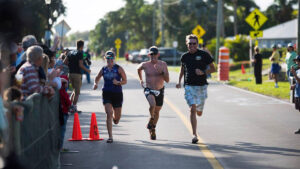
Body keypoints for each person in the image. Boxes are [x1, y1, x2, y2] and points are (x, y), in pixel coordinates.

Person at [176, 34, 216, 144]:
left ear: (197, 44)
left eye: (194, 43)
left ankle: (200, 110)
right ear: (186, 44)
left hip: (202, 86)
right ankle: (194, 134)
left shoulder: (204, 55)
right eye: (190, 43)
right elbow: (182, 70)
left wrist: (203, 72)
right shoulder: (184, 56)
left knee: (199, 112)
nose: (192, 45)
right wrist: (179, 81)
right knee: (192, 109)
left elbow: (213, 69)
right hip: (189, 86)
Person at [93, 51, 127, 143]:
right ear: (105, 59)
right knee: (108, 113)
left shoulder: (119, 68)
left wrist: (118, 82)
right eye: (108, 58)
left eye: (111, 58)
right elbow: (97, 78)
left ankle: (114, 119)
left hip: (117, 94)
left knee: (116, 119)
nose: (109, 60)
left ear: (114, 59)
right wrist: (95, 84)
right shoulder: (103, 69)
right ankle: (110, 137)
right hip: (106, 93)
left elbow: (125, 80)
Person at [137, 46, 169, 140]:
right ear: (149, 55)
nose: (153, 56)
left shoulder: (163, 64)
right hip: (149, 89)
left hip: (160, 90)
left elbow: (167, 80)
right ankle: (151, 119)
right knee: (152, 105)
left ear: (158, 54)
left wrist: (162, 72)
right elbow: (138, 69)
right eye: (151, 54)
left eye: (155, 54)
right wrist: (141, 80)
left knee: (157, 112)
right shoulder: (145, 65)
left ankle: (153, 128)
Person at [63, 40, 91, 113]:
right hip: (77, 74)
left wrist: (71, 66)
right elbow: (81, 65)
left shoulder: (70, 52)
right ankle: (74, 107)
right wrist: (87, 70)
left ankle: (70, 106)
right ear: (82, 46)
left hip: (70, 74)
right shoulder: (80, 53)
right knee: (77, 92)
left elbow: (64, 62)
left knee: (74, 91)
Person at [59, 76, 71, 150]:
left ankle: (59, 146)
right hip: (63, 112)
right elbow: (68, 102)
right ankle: (60, 147)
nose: (67, 85)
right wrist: (71, 106)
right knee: (62, 130)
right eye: (66, 83)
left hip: (62, 112)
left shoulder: (59, 91)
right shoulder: (62, 92)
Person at [290, 55, 300, 134]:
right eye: (296, 61)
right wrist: (294, 85)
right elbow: (297, 82)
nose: (297, 62)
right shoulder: (298, 70)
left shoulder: (296, 72)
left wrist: (294, 73)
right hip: (297, 93)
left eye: (298, 61)